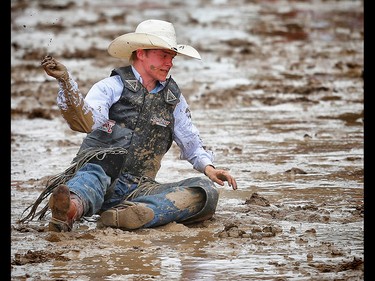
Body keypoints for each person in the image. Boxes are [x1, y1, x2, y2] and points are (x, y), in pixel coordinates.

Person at [38, 19, 237, 232]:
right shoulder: (110, 87)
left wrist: (210, 169)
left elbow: (191, 143)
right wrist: (67, 85)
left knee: (205, 192)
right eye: (163, 55)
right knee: (89, 178)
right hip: (99, 173)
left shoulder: (174, 99)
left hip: (139, 188)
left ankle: (126, 215)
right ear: (141, 53)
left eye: (172, 56)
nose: (169, 63)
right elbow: (88, 121)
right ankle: (68, 211)